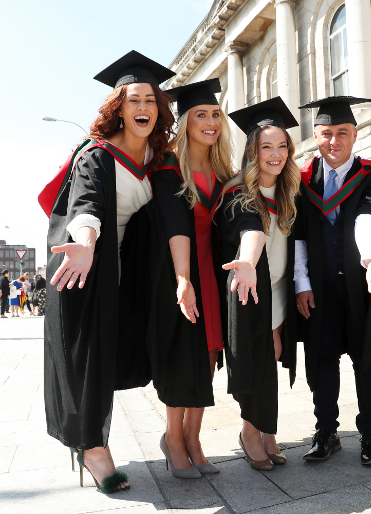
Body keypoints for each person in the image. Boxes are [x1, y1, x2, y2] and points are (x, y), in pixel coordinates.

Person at [43, 51, 175, 493]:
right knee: (88, 363)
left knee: (114, 355)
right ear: (118, 107)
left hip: (119, 271)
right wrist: (83, 243)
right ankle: (94, 451)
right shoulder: (97, 155)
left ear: (160, 109)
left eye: (151, 101)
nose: (143, 108)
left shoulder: (157, 160)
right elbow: (86, 204)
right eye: (133, 99)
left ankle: (90, 444)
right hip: (83, 268)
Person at [295, 96, 371, 465]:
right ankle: (326, 431)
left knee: (367, 359)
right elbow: (298, 235)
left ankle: (370, 434)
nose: (333, 141)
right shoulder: (302, 181)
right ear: (315, 135)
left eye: (341, 133)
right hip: (319, 289)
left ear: (355, 135)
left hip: (363, 285)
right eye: (325, 133)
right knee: (322, 360)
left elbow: (369, 219)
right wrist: (301, 282)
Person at [148, 78, 235, 478]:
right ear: (185, 123)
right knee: (183, 358)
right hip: (180, 271)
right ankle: (174, 437)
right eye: (201, 115)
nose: (211, 121)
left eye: (215, 114)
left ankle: (194, 436)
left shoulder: (223, 172)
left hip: (213, 272)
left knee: (210, 356)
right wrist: (183, 279)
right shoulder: (168, 167)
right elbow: (173, 224)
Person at [218, 97, 300, 470]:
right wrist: (248, 262)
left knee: (272, 359)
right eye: (267, 146)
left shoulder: (288, 193)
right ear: (253, 151)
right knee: (256, 361)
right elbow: (249, 231)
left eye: (282, 146)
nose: (276, 154)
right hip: (251, 290)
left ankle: (267, 430)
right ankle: (251, 431)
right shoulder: (239, 192)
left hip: (280, 291)